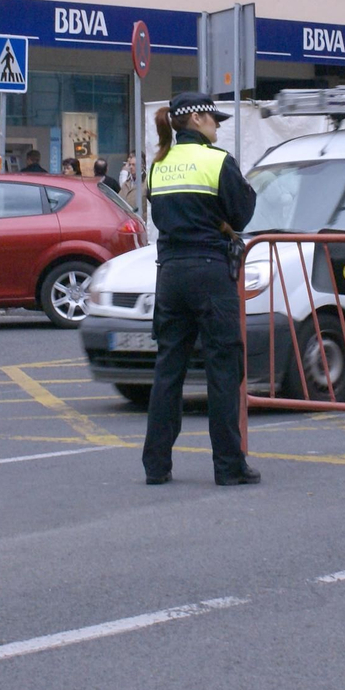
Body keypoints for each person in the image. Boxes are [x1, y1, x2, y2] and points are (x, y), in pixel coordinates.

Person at [142, 92, 259, 487]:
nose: (218, 125)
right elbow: (241, 212)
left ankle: (156, 467)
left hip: (170, 275)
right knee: (223, 370)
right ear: (196, 120)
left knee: (168, 371)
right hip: (210, 272)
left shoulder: (158, 166)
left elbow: (158, 211)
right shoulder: (217, 161)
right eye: (214, 119)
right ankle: (229, 467)